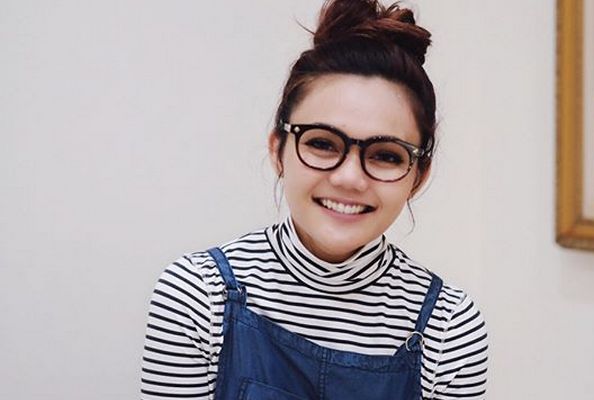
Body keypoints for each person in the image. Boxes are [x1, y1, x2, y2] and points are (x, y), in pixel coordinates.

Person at [140, 0, 488, 398]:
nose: (349, 178)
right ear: (278, 150)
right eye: (322, 143)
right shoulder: (198, 294)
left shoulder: (448, 326)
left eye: (386, 155)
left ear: (417, 176)